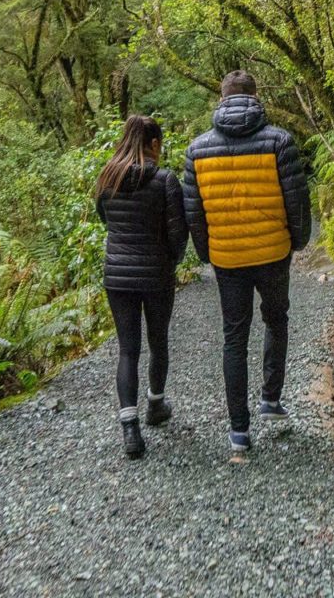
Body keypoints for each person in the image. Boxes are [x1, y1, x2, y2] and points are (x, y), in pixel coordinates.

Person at [182, 71, 311, 454]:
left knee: (234, 338)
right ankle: (271, 399)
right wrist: (297, 240)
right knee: (276, 319)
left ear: (221, 101)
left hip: (227, 257)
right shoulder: (279, 141)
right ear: (255, 97)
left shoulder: (197, 149)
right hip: (273, 252)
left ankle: (239, 430)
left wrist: (207, 252)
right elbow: (297, 200)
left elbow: (195, 213)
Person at [95, 115, 188, 459]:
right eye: (159, 145)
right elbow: (179, 233)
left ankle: (130, 429)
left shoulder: (108, 178)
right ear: (152, 144)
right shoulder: (165, 180)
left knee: (127, 349)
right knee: (158, 341)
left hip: (117, 277)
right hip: (156, 275)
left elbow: (105, 219)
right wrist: (171, 261)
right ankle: (155, 404)